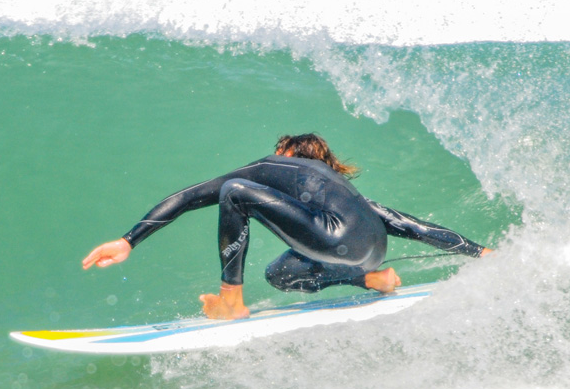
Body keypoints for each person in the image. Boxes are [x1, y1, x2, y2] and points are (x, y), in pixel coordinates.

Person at [83, 133, 491, 320]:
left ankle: (231, 301)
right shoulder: (343, 193)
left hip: (334, 240)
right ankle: (374, 280)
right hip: (369, 249)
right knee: (281, 274)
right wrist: (480, 253)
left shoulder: (271, 166)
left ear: (287, 153)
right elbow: (414, 227)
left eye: (280, 152)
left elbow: (194, 196)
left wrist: (128, 240)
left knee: (234, 190)